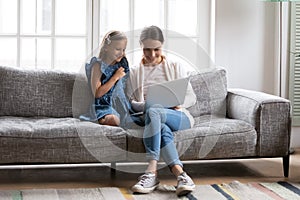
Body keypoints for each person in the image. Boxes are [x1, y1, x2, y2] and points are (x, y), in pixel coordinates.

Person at [126, 26, 197, 196]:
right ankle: (181, 175)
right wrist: (149, 105)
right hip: (151, 116)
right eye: (147, 50)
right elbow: (131, 103)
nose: (151, 54)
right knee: (160, 123)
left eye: (156, 49)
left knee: (156, 111)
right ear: (141, 46)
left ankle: (151, 170)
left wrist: (178, 104)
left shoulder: (175, 66)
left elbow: (191, 97)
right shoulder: (135, 72)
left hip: (177, 116)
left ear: (163, 46)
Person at [80, 30, 130, 126]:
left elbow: (125, 86)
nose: (121, 53)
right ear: (106, 48)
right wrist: (115, 77)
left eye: (123, 50)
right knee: (114, 120)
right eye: (118, 49)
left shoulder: (122, 64)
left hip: (121, 105)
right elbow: (97, 93)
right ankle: (100, 119)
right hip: (104, 106)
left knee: (142, 119)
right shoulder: (98, 65)